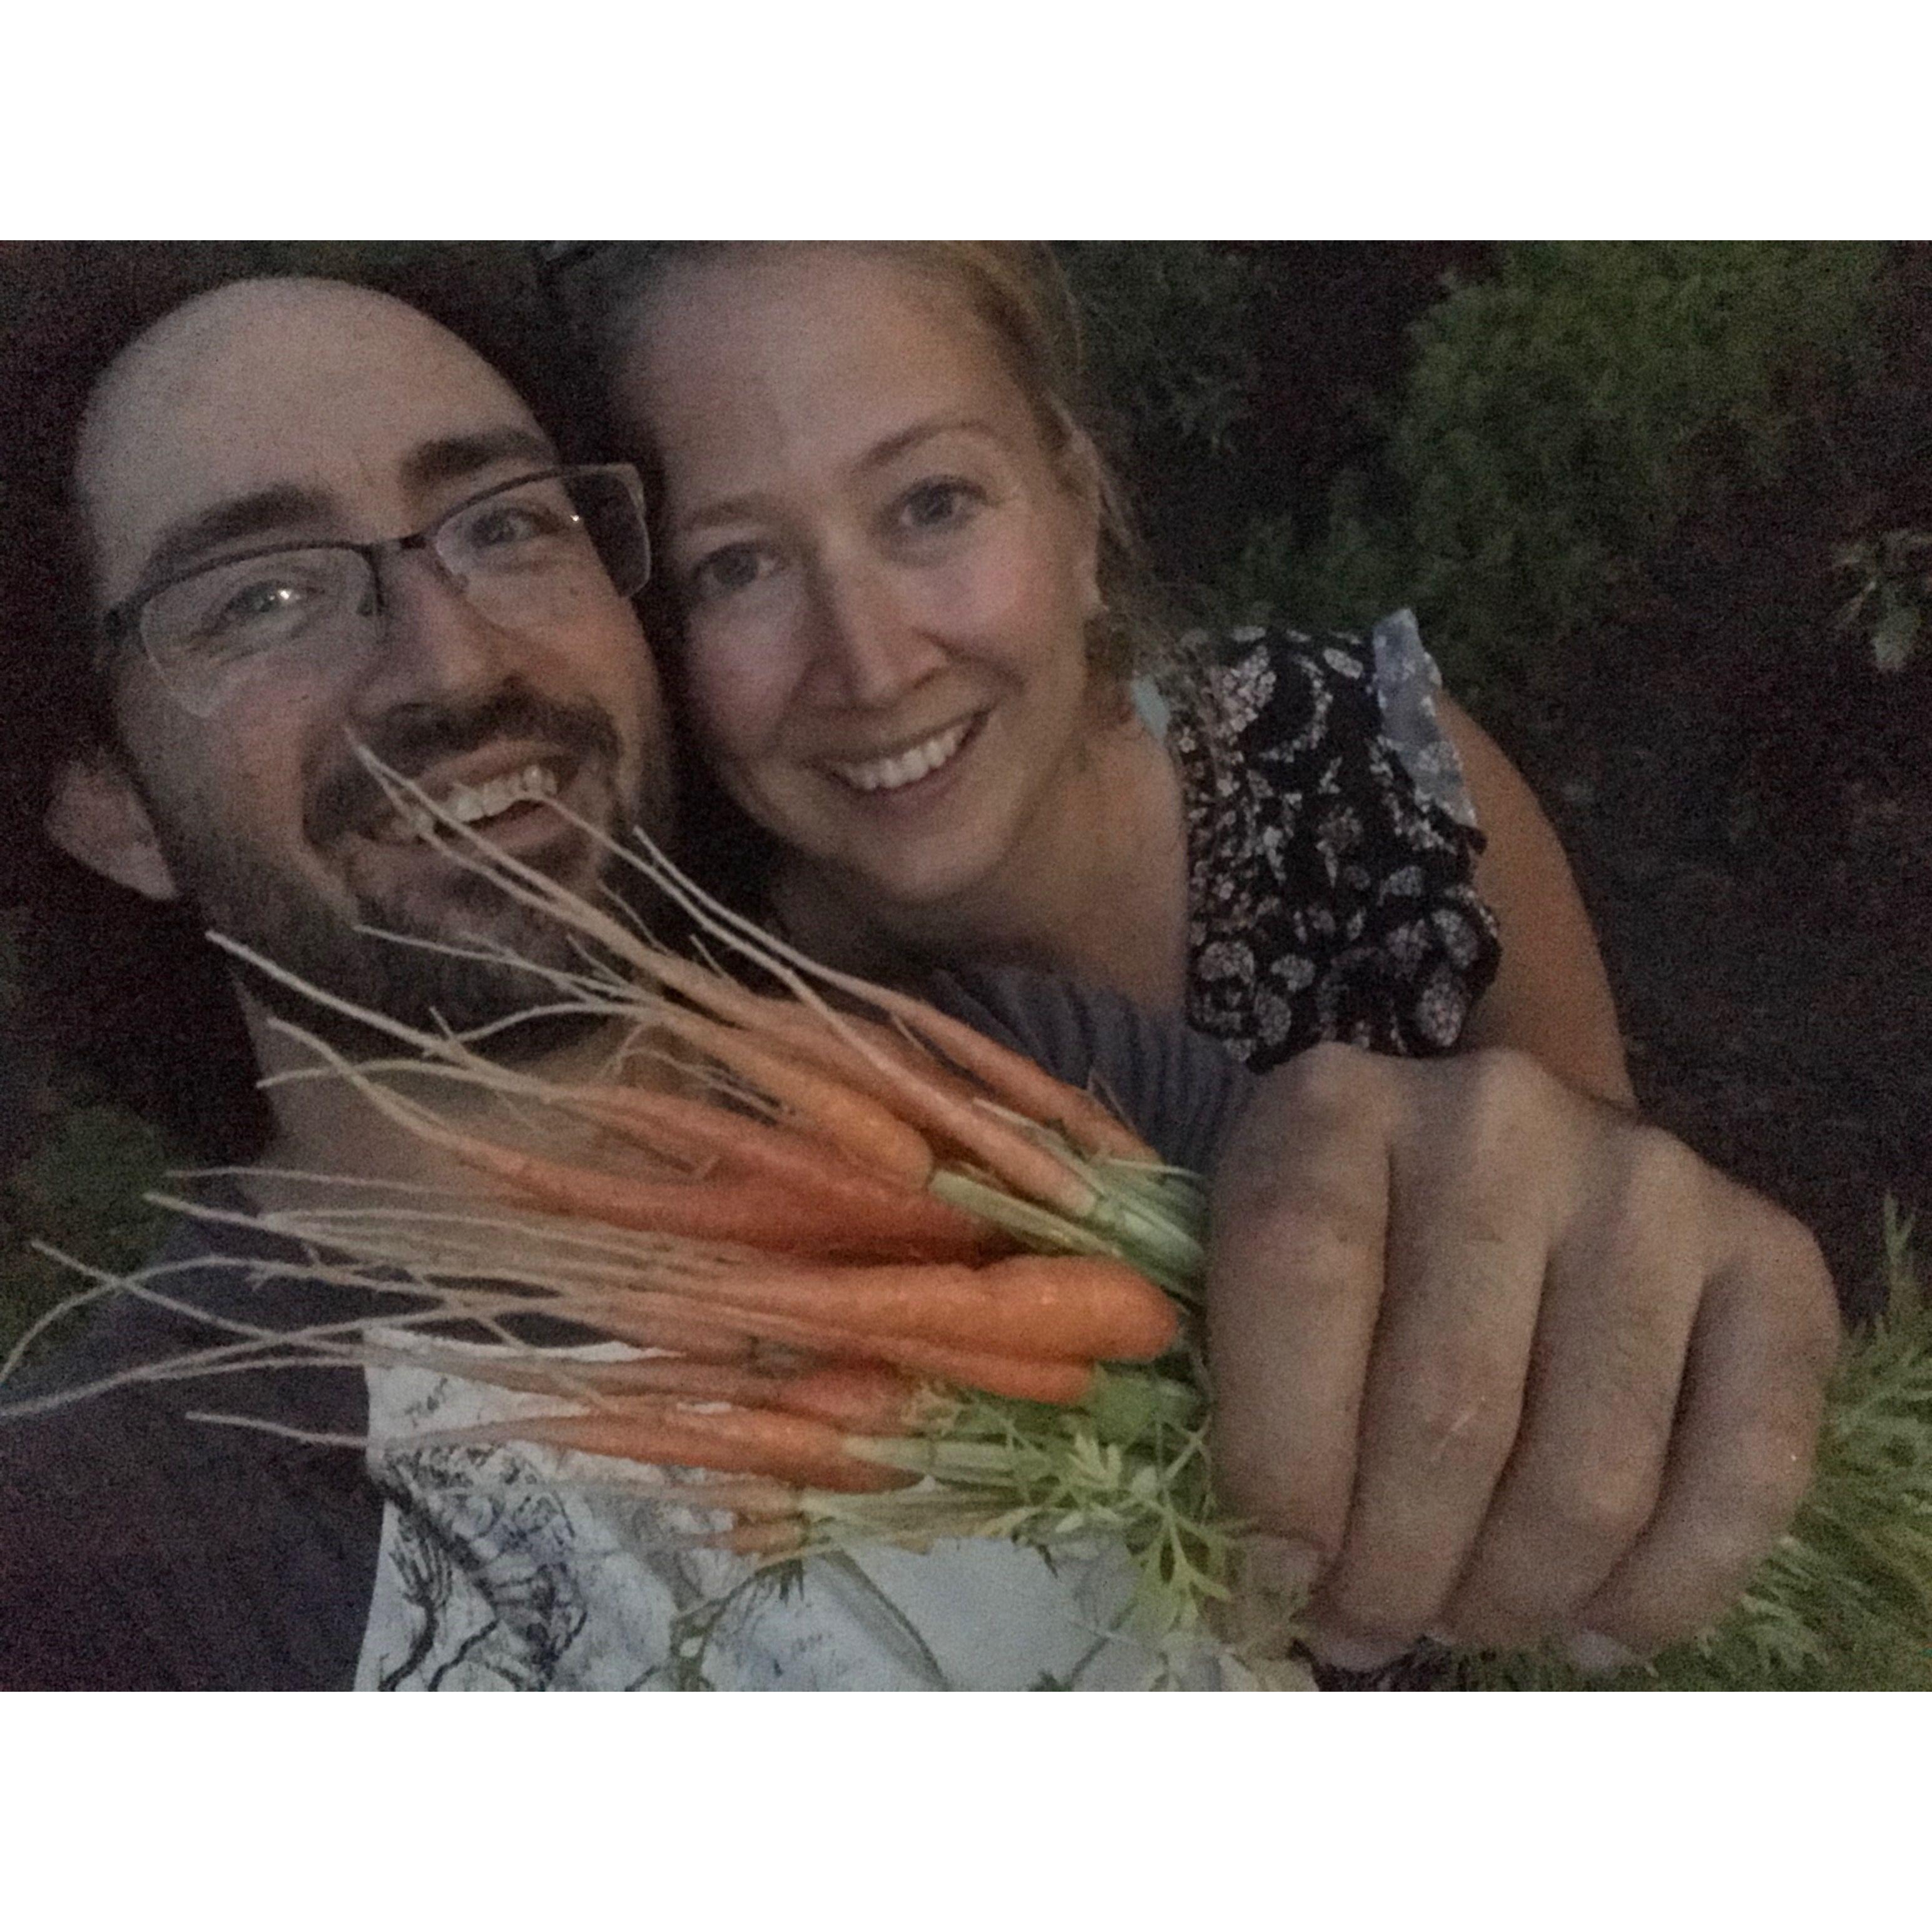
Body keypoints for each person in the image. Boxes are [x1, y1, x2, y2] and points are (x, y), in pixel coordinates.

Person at [0, 248, 1838, 1688]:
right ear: (107, 802)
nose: (451, 661)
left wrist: (1590, 1270)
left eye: (505, 524)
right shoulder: (108, 1532)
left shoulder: (1030, 1070)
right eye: (261, 594)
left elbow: (1467, 1289)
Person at [571, 242, 1630, 1104]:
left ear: (1076, 514)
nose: (874, 667)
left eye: (932, 504)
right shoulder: (671, 1037)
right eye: (737, 567)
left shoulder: (1383, 781)